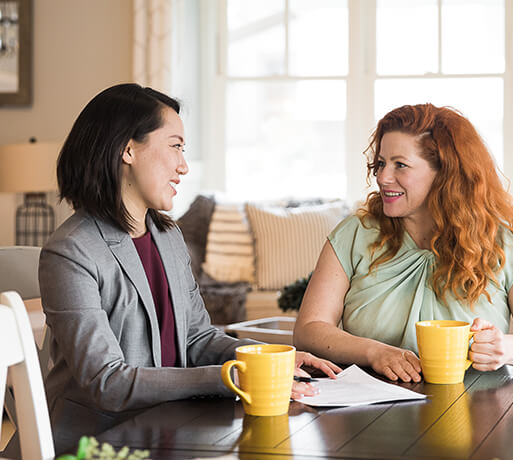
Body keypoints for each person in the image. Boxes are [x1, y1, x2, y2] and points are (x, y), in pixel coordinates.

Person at [39, 83, 340, 453]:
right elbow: (107, 381)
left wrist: (268, 360)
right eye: (175, 146)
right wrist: (232, 377)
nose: (183, 166)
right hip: (100, 442)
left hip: (172, 425)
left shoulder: (167, 237)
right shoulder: (71, 251)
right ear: (127, 149)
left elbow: (197, 339)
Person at [293, 103, 513, 383]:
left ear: (445, 173)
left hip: (476, 414)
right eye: (381, 163)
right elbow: (309, 329)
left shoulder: (502, 244)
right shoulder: (354, 233)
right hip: (365, 407)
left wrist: (505, 348)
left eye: (400, 165)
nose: (382, 177)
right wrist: (374, 352)